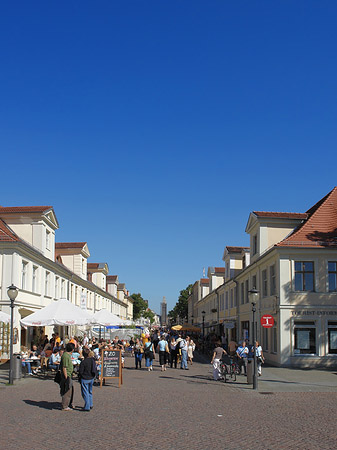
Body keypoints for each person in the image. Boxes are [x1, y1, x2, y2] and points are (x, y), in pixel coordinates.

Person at [79, 347, 97, 411]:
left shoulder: (83, 362)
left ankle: (87, 406)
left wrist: (80, 377)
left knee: (85, 392)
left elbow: (80, 371)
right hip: (91, 377)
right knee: (90, 392)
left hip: (85, 378)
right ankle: (90, 404)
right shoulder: (92, 360)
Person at [60, 342, 75, 411]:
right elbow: (64, 367)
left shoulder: (67, 355)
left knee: (71, 390)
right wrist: (66, 377)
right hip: (67, 375)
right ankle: (65, 405)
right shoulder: (65, 356)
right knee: (67, 391)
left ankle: (69, 403)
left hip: (69, 374)